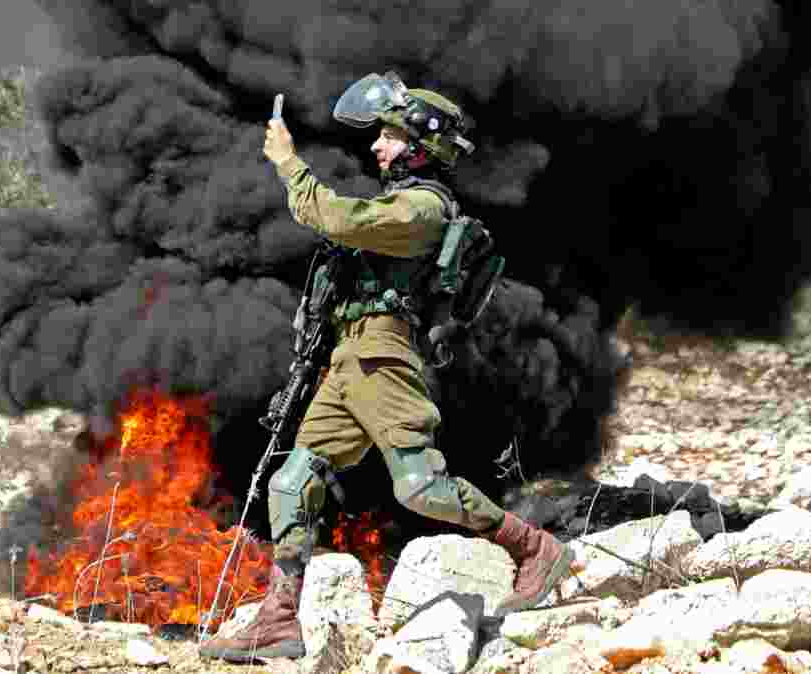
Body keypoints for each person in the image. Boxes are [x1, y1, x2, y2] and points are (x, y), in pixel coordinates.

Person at [200, 72, 581, 663]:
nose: (376, 146)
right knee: (291, 482)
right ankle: (279, 617)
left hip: (383, 356)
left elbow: (328, 215)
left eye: (388, 136)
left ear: (421, 146)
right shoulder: (399, 203)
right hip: (350, 359)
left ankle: (534, 548)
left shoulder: (423, 210)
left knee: (420, 487)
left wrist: (286, 160)